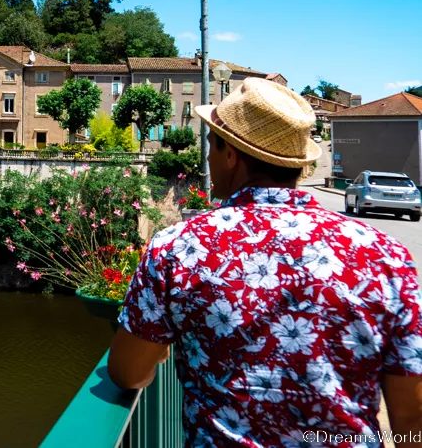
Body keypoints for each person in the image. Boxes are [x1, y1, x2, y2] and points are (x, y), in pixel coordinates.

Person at [108, 77, 422, 446]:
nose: (207, 157)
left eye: (211, 144)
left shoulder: (178, 247)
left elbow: (128, 374)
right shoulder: (384, 254)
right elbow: (411, 415)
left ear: (231, 155)